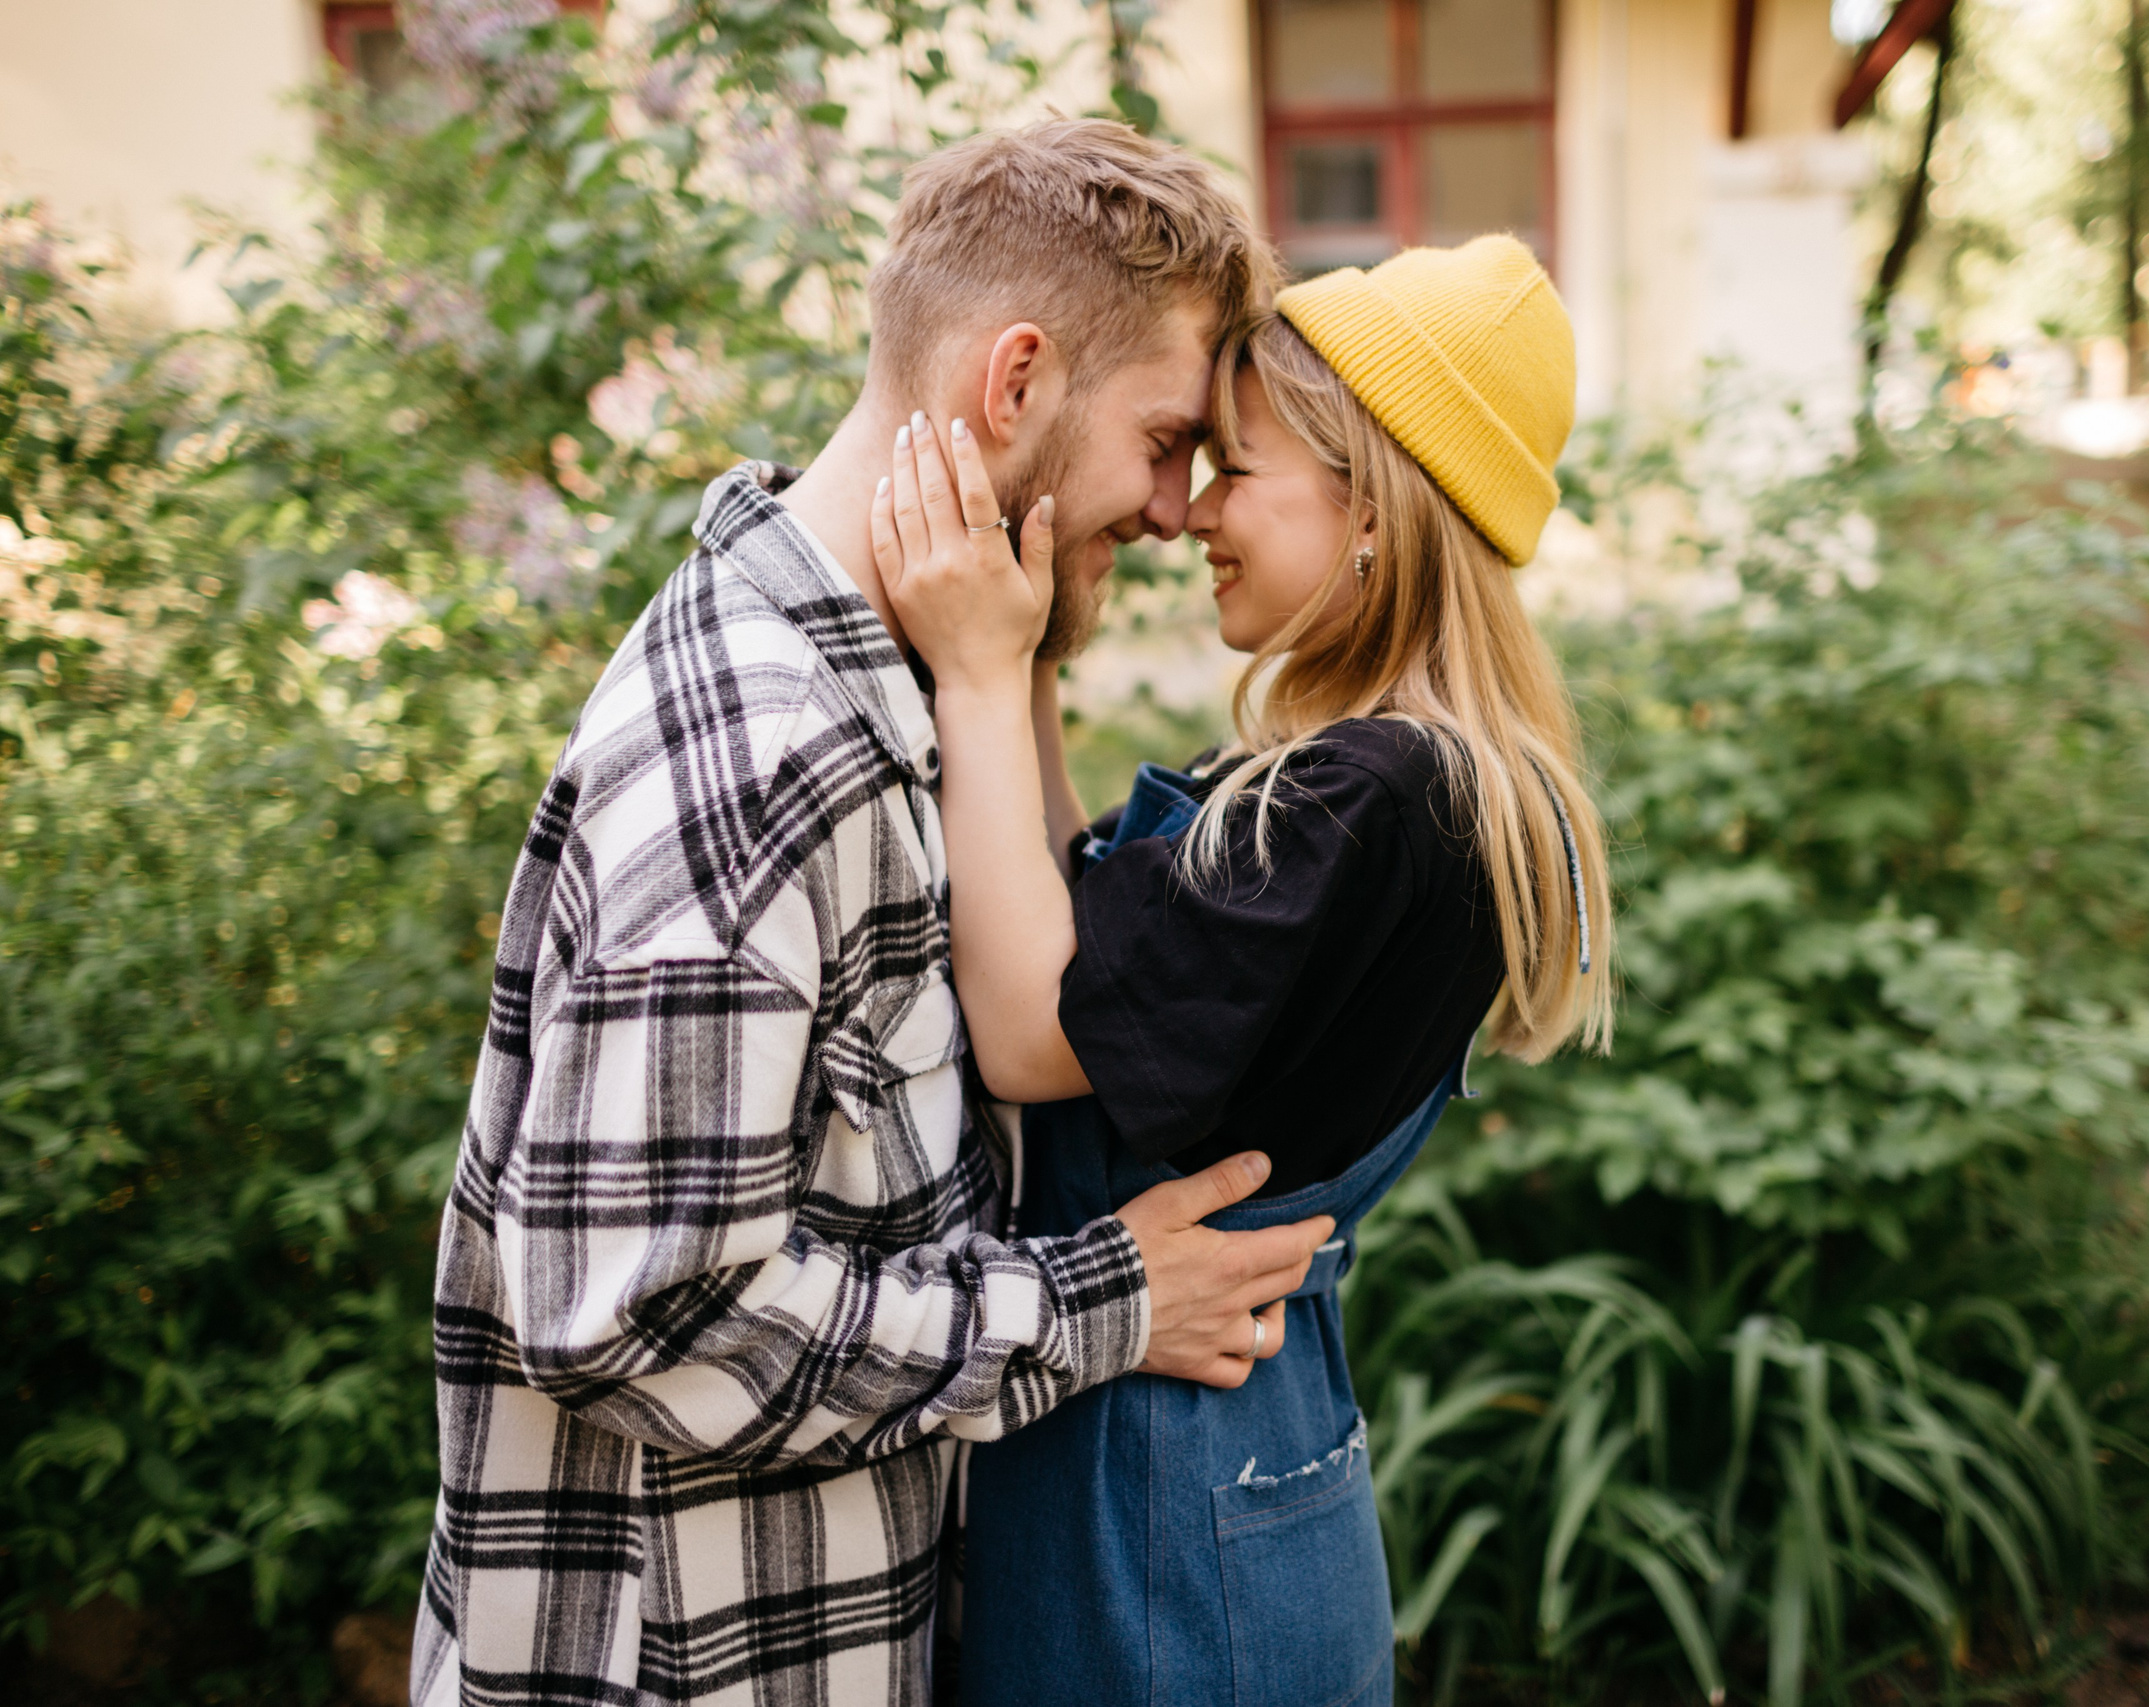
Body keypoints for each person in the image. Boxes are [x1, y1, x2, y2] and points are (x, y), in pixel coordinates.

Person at [409, 119, 1341, 1707]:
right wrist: (1102, 1306)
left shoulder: (885, 691)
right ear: (1016, 382)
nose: (1177, 509)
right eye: (1166, 437)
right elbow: (638, 1314)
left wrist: (1014, 670)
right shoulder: (766, 756)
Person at [872, 233, 1614, 1707]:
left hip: (1165, 1495)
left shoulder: (1367, 802)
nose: (1196, 510)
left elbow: (1033, 1031)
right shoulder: (1408, 781)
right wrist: (1033, 646)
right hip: (1226, 1456)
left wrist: (972, 672)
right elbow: (1074, 937)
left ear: (1374, 511)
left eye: (1240, 469)